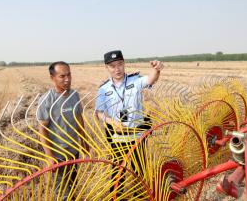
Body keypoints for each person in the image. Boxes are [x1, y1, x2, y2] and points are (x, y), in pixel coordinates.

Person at [95, 50, 163, 197]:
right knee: (118, 171)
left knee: (140, 170)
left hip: (137, 135)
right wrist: (110, 121)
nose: (117, 69)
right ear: (107, 68)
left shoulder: (135, 80)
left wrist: (156, 69)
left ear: (124, 64)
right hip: (118, 137)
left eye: (119, 64)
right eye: (112, 66)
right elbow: (99, 113)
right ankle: (116, 197)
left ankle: (139, 196)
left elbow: (151, 79)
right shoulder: (103, 89)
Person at [37, 61, 89, 200]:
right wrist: (49, 156)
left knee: (73, 186)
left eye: (69, 75)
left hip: (73, 151)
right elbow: (42, 130)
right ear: (52, 78)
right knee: (63, 193)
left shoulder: (74, 95)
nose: (67, 79)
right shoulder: (47, 100)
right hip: (58, 155)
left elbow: (79, 121)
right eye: (62, 76)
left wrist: (85, 144)